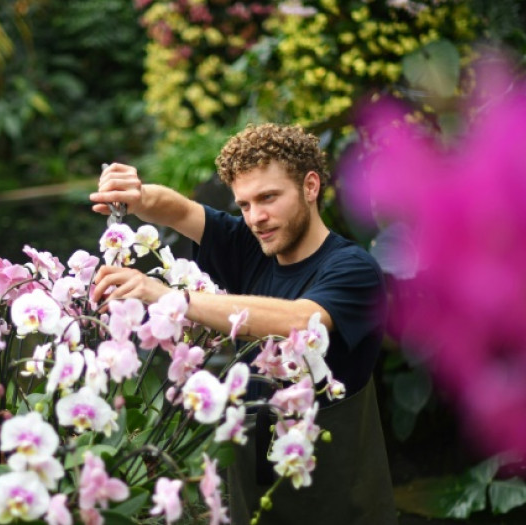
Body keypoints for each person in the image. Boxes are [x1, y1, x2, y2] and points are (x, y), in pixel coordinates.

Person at [90, 123, 396, 524]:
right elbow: (180, 210)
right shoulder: (251, 250)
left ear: (310, 186)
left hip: (338, 495)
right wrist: (138, 195)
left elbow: (300, 321)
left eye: (268, 198)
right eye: (245, 204)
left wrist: (169, 296)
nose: (256, 218)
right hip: (254, 486)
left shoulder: (353, 268)